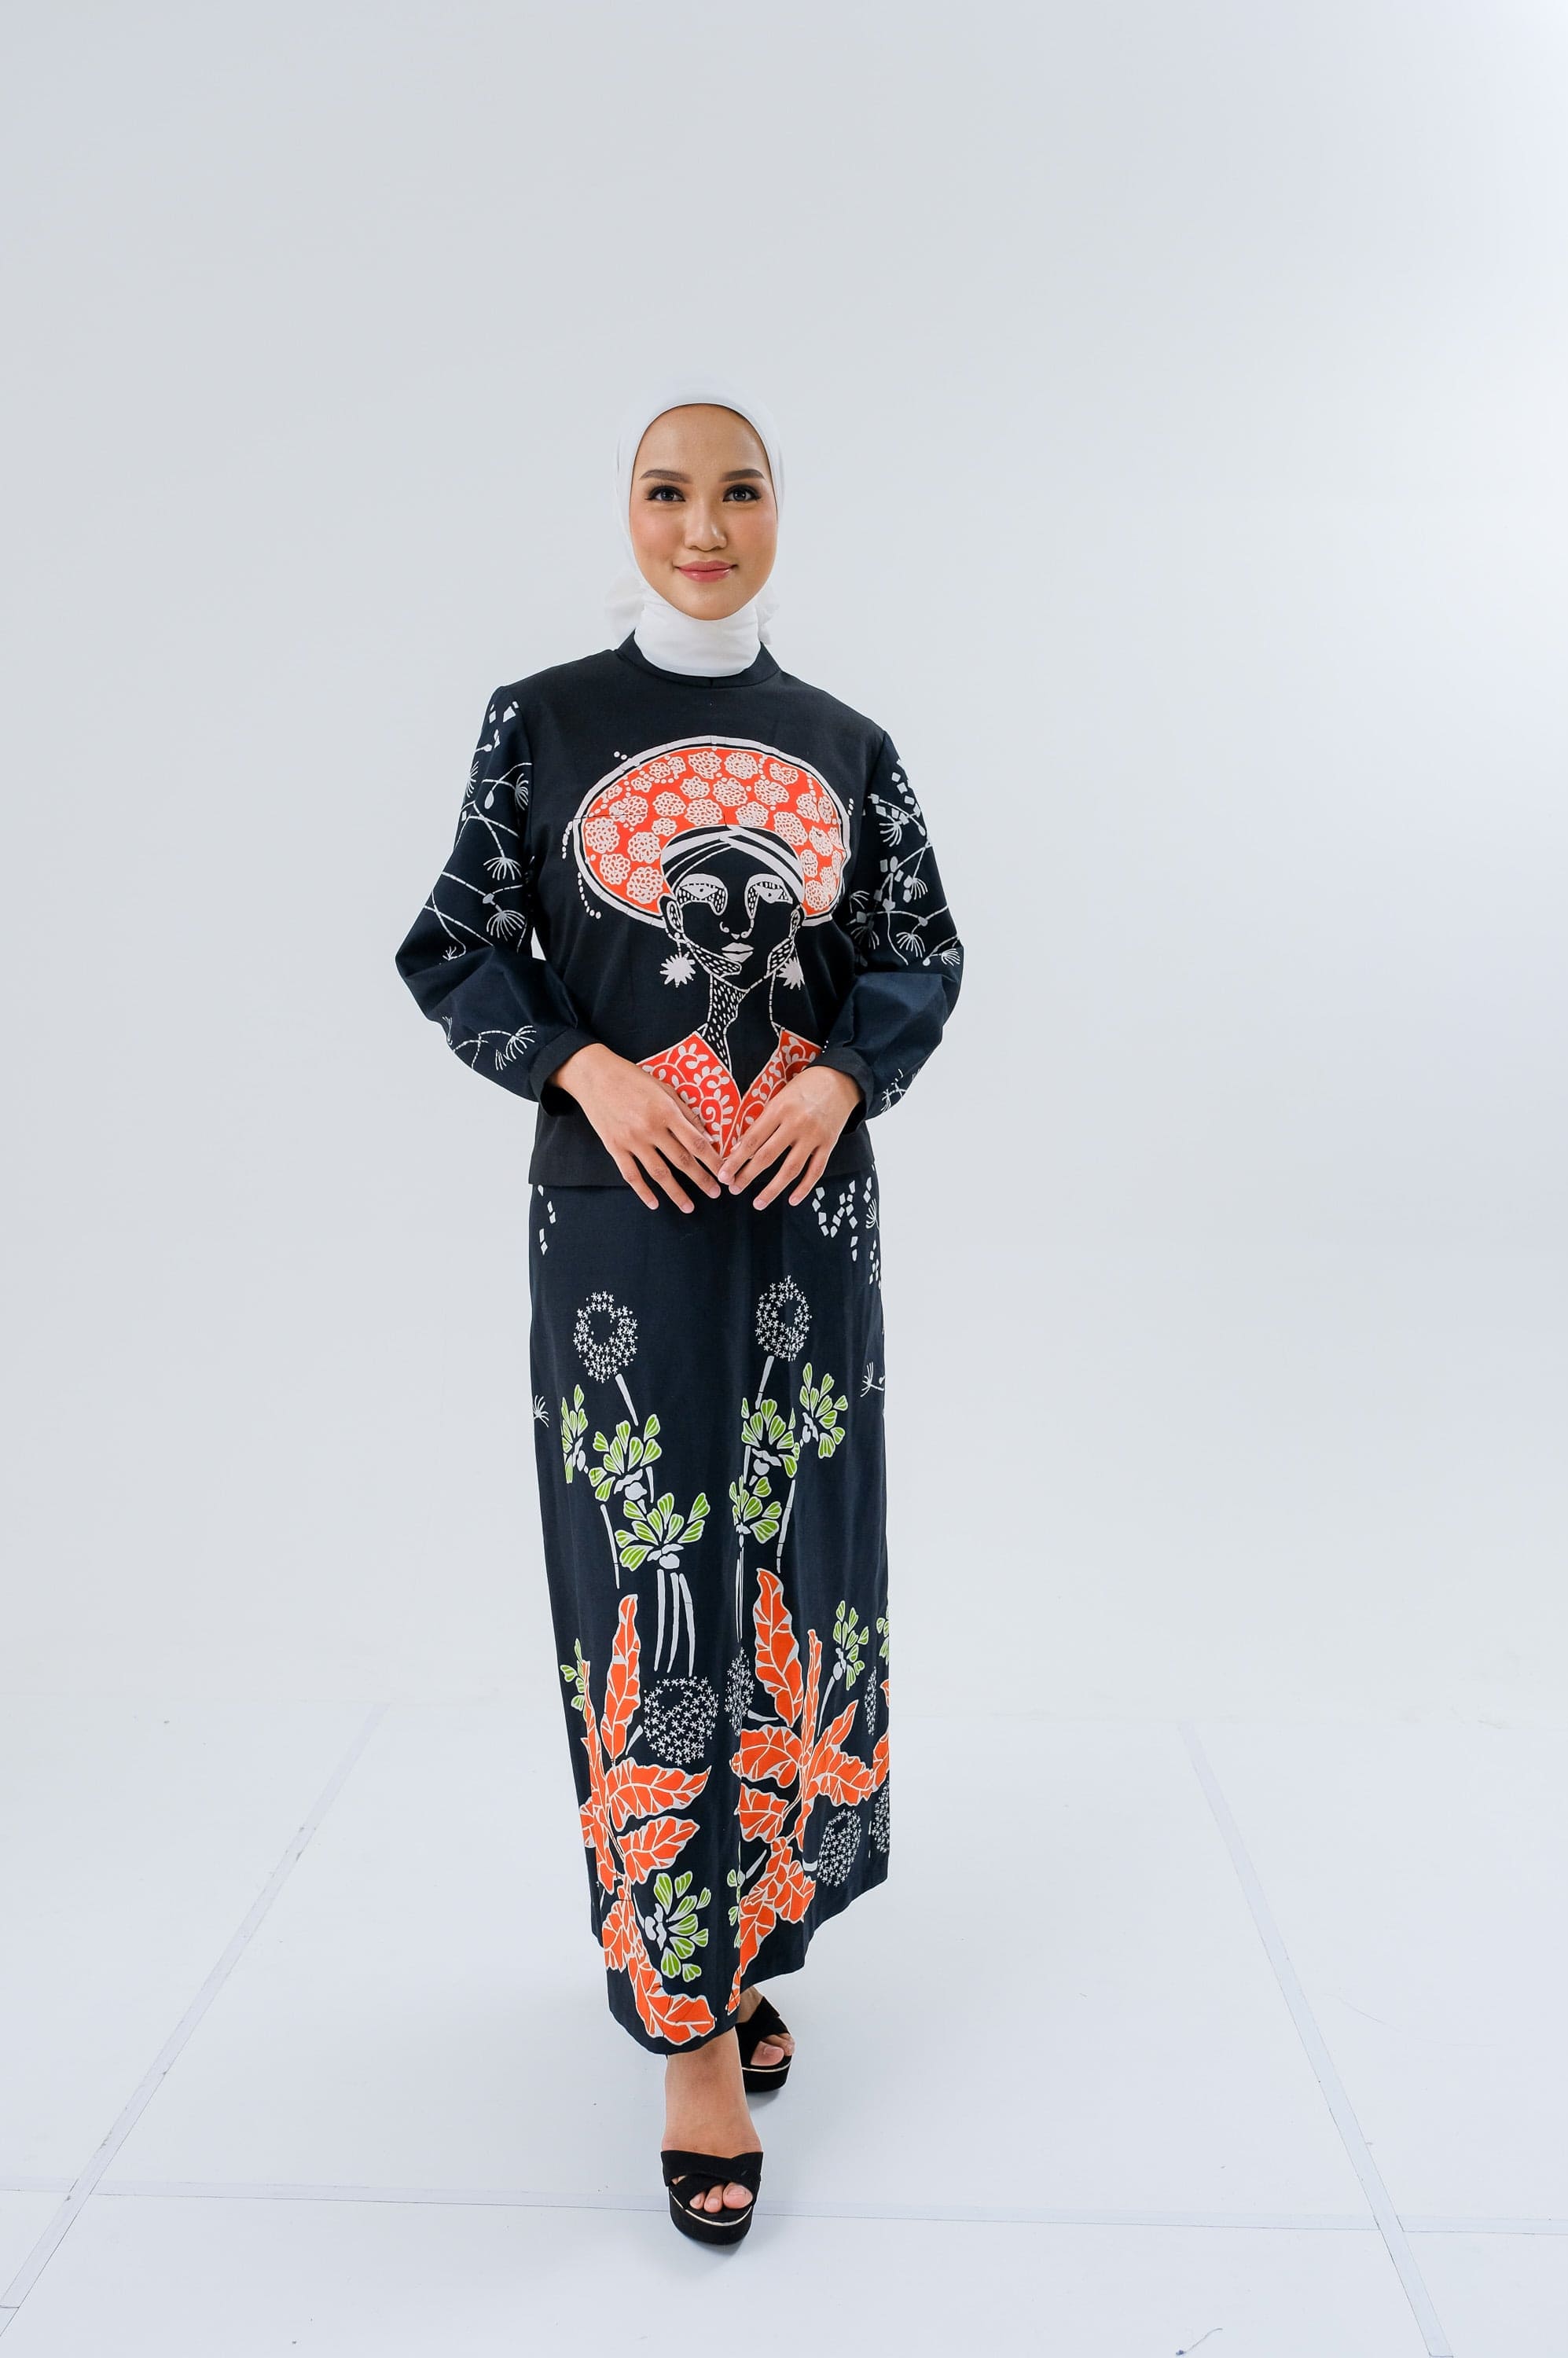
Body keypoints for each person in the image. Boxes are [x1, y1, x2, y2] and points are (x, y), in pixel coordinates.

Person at [395, 378, 964, 2246]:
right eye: (664, 491)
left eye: (735, 490)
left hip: (804, 1222)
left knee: (799, 1563)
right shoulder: (542, 722)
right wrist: (583, 1067)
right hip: (619, 1224)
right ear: (625, 512)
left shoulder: (846, 746)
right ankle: (687, 2030)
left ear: (778, 513)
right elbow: (456, 941)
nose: (701, 526)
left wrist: (842, 1078)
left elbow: (920, 953)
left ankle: (746, 1934)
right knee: (651, 1583)